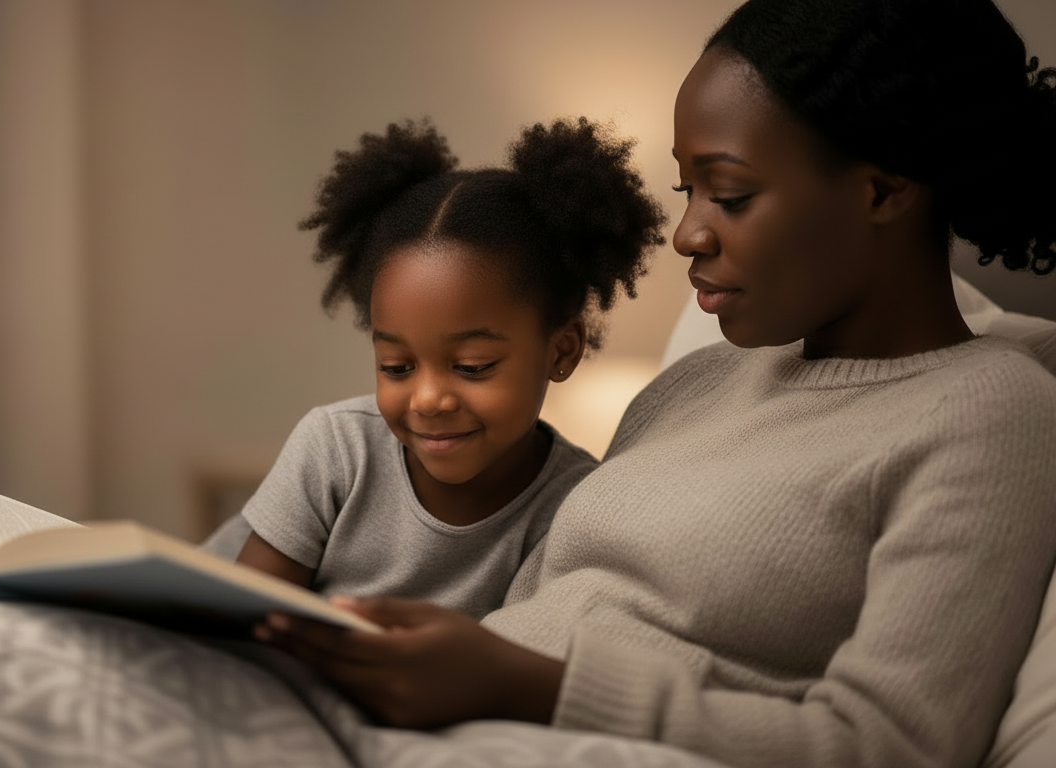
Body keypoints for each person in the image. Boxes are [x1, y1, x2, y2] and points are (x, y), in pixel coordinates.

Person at [254, 1, 1056, 767]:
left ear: (884, 189)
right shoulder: (694, 385)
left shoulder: (988, 410)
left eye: (730, 194)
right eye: (687, 190)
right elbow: (541, 613)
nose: (687, 234)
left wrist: (522, 685)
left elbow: (889, 747)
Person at [227, 117, 669, 619]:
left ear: (562, 351)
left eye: (472, 366)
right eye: (396, 367)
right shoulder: (336, 450)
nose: (428, 399)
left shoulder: (572, 508)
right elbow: (241, 623)